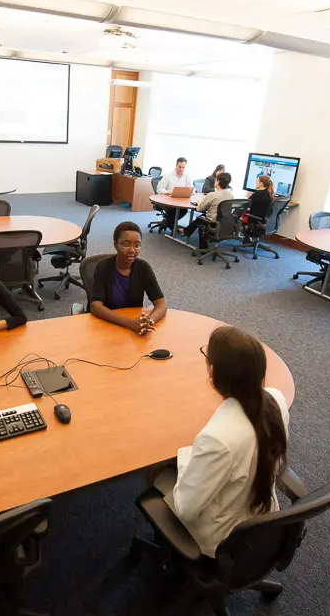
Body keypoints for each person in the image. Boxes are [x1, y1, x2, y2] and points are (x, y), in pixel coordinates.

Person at [152, 326, 289, 558]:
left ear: (213, 372)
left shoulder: (218, 438)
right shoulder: (277, 399)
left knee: (154, 467)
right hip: (262, 516)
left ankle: (168, 551)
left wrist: (188, 455)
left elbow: (185, 509)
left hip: (224, 537)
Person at [89, 221, 167, 336]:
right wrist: (129, 323)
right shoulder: (103, 266)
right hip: (107, 324)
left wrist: (149, 322)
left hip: (134, 326)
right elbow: (95, 306)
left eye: (137, 245)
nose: (132, 250)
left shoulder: (143, 267)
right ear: (115, 244)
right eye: (126, 244)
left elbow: (161, 305)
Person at [184, 171, 234, 249]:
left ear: (218, 182)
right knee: (203, 216)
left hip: (212, 223)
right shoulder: (230, 195)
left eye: (216, 179)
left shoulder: (212, 194)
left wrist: (199, 203)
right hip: (225, 223)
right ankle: (186, 231)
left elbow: (199, 208)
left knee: (200, 219)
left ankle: (203, 248)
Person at [156, 157, 192, 232]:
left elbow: (190, 188)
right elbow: (159, 189)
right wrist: (169, 192)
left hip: (180, 201)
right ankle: (172, 227)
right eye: (179, 167)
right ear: (176, 165)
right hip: (167, 201)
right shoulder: (168, 175)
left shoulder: (187, 176)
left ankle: (167, 222)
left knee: (184, 210)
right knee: (173, 210)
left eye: (183, 167)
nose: (181, 169)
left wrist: (190, 192)